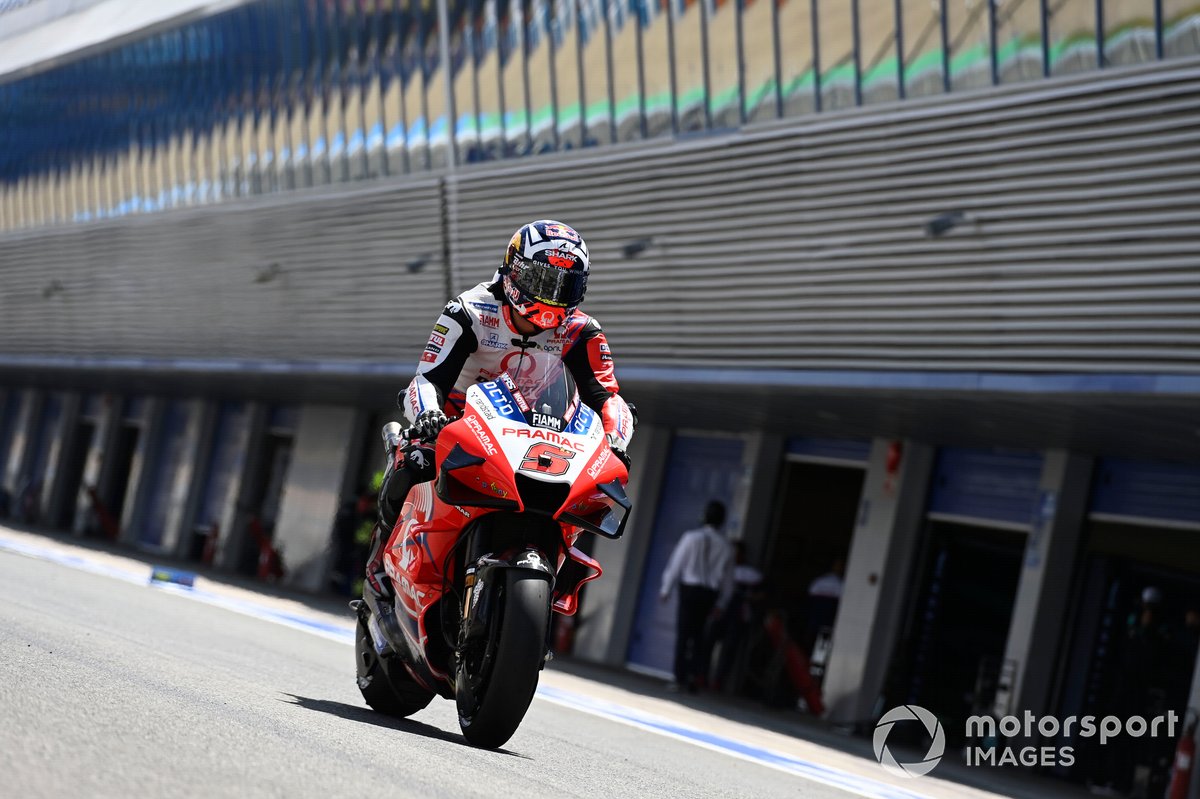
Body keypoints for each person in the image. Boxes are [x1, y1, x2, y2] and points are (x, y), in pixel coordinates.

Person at [364, 220, 637, 604]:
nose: (552, 295)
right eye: (542, 280)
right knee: (413, 465)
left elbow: (607, 397)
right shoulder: (468, 310)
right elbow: (427, 378)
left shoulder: (583, 331)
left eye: (565, 285)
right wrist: (427, 416)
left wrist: (616, 440)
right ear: (513, 269)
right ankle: (379, 566)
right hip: (458, 427)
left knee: (590, 495)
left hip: (538, 439)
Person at [659, 499, 734, 693]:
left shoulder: (691, 537)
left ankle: (679, 677)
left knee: (684, 634)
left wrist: (666, 588)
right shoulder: (726, 546)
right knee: (700, 637)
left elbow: (677, 563)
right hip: (710, 594)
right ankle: (694, 676)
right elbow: (728, 579)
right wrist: (723, 603)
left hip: (690, 590)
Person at [710, 541, 766, 693]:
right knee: (708, 641)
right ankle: (700, 675)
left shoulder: (751, 574)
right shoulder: (721, 569)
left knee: (729, 648)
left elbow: (763, 594)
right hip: (721, 611)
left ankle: (718, 681)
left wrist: (750, 597)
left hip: (739, 614)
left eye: (736, 553)